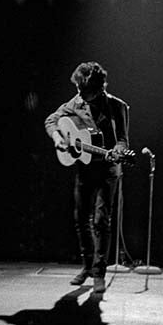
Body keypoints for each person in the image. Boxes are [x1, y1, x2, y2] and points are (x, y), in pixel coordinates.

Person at [45, 61, 130, 293]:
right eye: (78, 89)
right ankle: (87, 266)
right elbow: (51, 120)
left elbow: (123, 140)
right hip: (85, 169)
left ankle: (99, 272)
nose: (80, 94)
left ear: (99, 88)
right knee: (81, 218)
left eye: (84, 90)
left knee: (101, 220)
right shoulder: (76, 102)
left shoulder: (117, 106)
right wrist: (57, 138)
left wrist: (117, 152)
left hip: (108, 169)